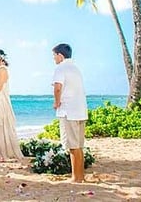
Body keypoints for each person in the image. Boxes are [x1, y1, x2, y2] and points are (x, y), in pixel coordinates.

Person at [52, 43, 88, 183]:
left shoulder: (60, 68)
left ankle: (76, 177)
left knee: (73, 146)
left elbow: (57, 88)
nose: (54, 59)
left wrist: (56, 102)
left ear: (60, 55)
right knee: (79, 146)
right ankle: (80, 176)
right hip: (80, 110)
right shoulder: (76, 69)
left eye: (54, 56)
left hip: (69, 111)